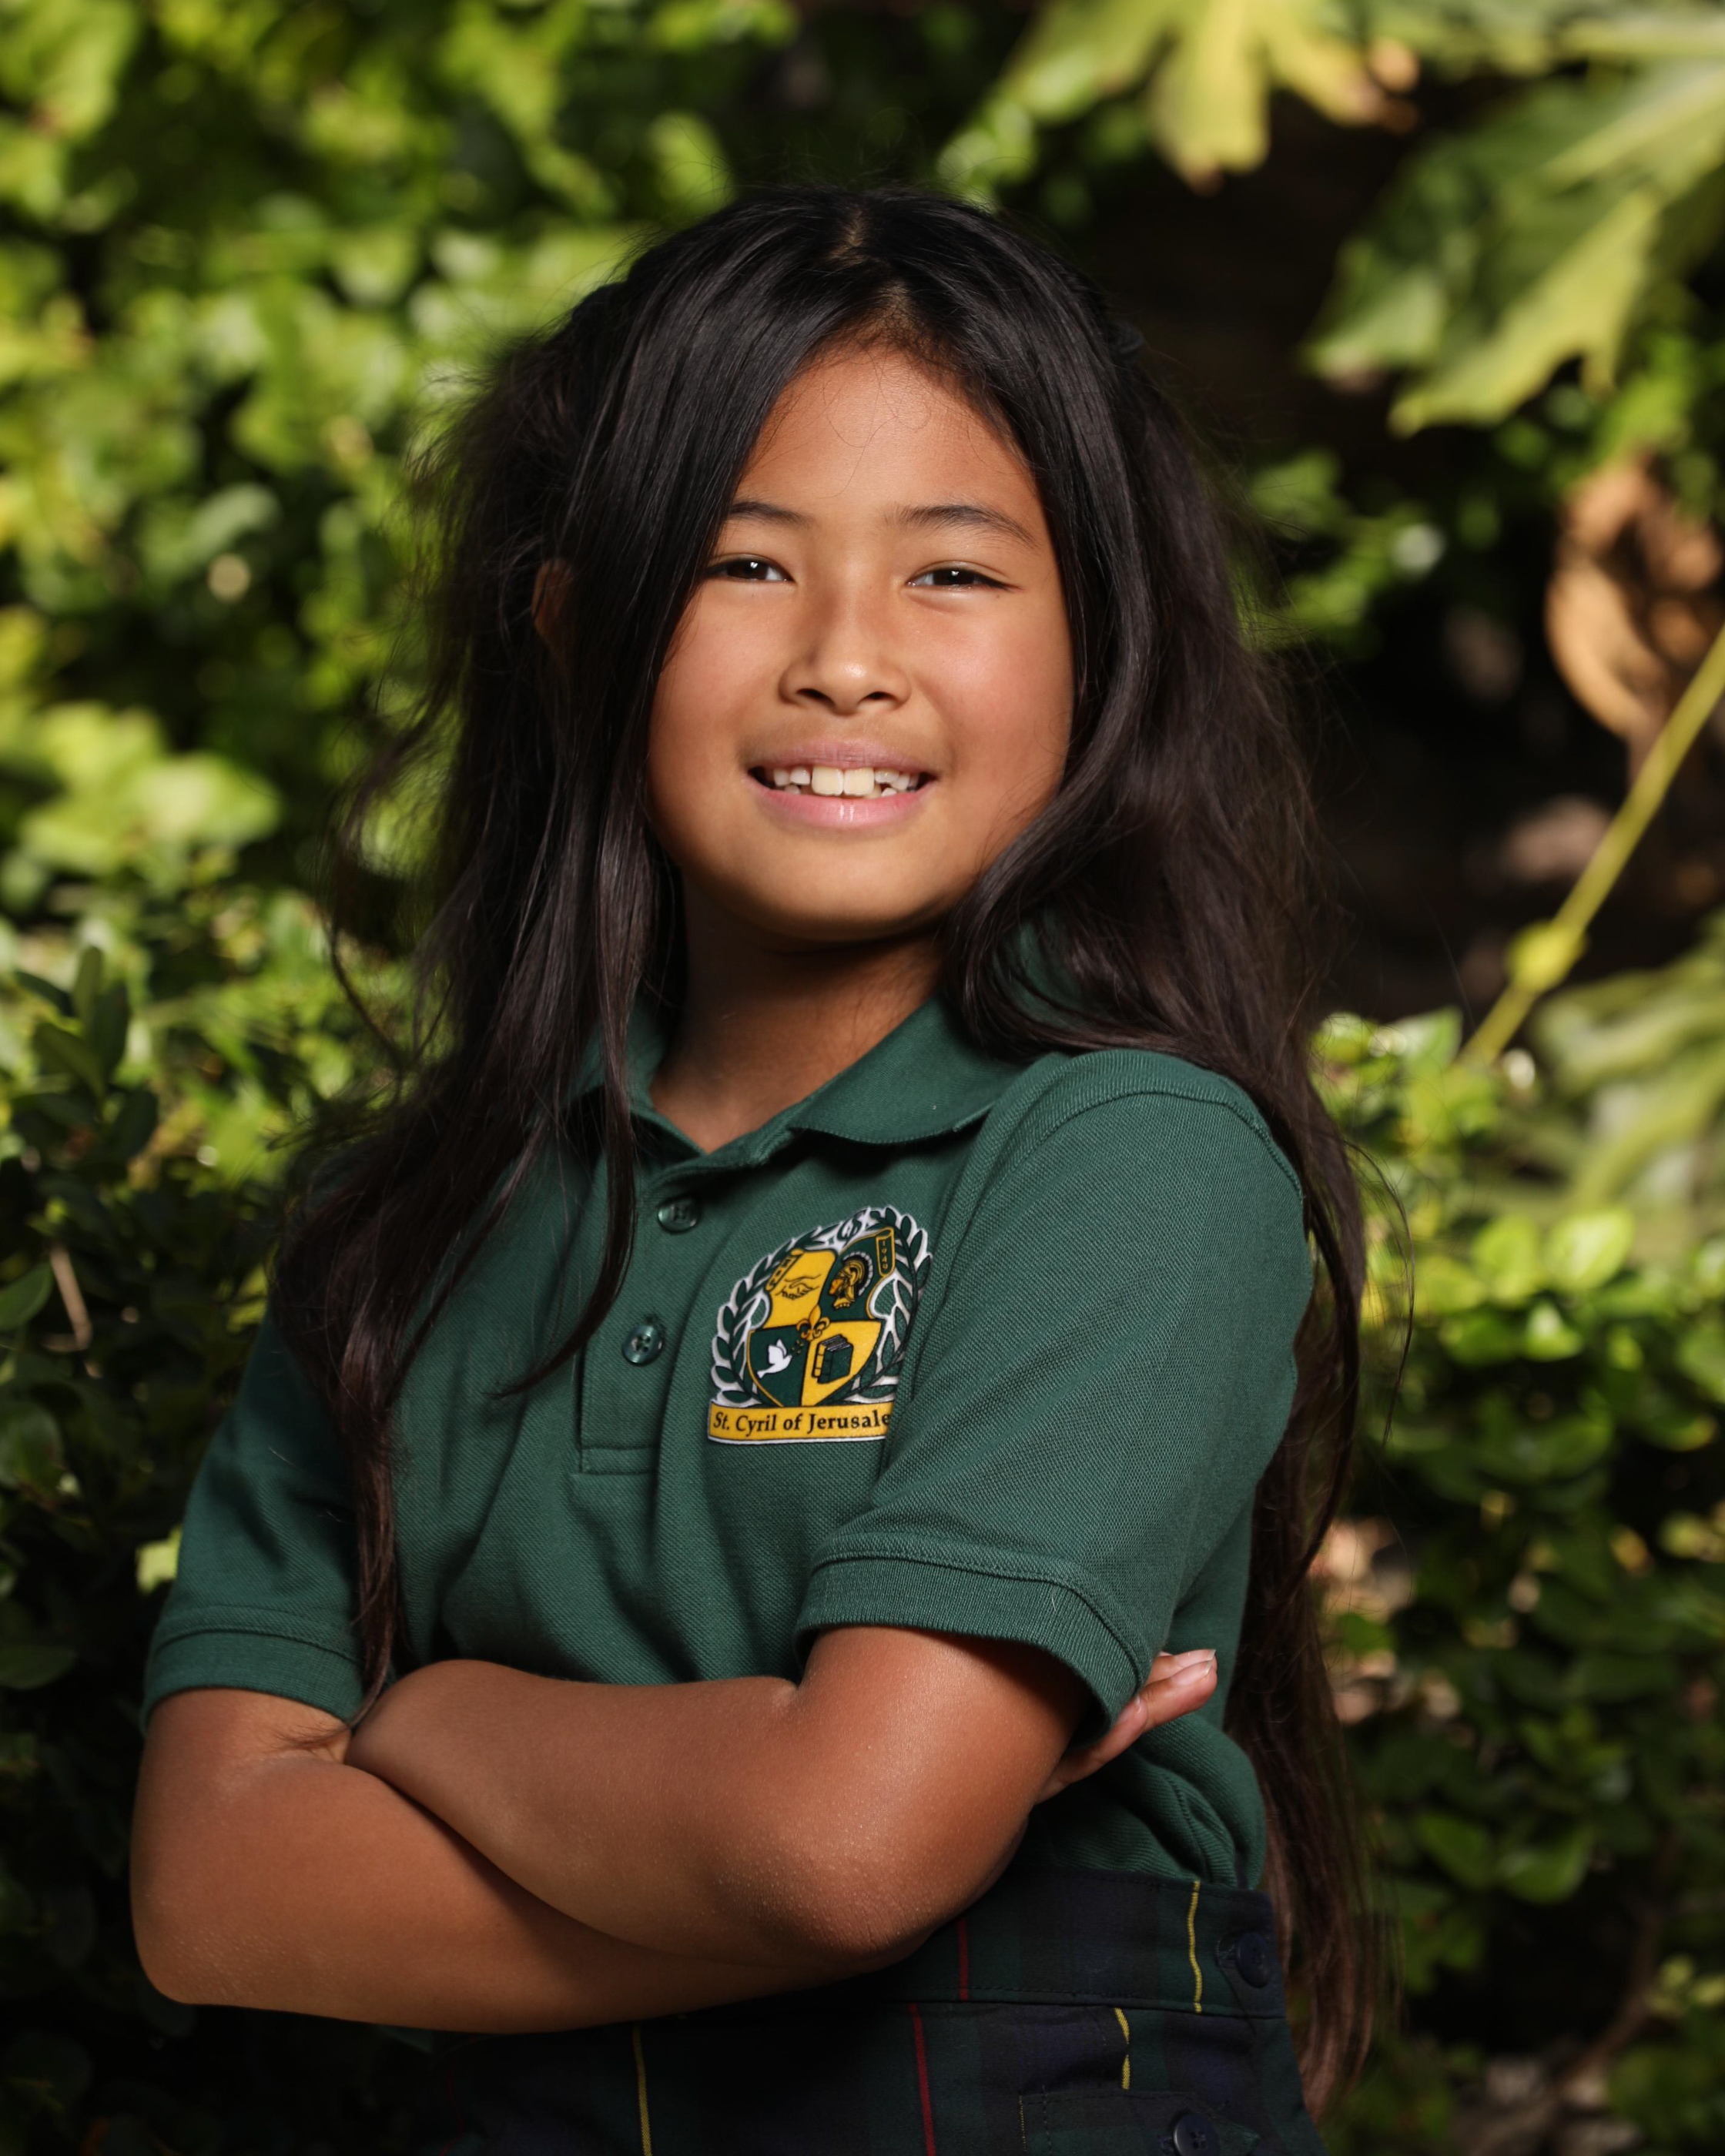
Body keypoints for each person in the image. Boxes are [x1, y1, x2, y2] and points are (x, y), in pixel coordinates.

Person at [129, 184, 1383, 2154]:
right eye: (742, 562)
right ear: (574, 629)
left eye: (953, 571)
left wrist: (429, 1717)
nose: (845, 661)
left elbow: (845, 1846)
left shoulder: (1127, 1155)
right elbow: (210, 1896)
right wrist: (792, 1832)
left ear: (1100, 638)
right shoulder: (410, 1222)